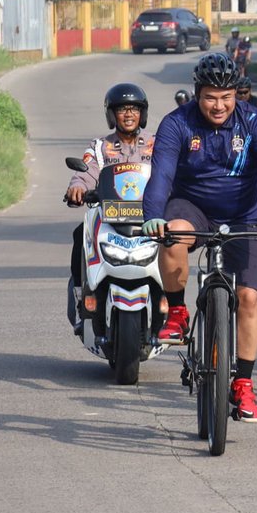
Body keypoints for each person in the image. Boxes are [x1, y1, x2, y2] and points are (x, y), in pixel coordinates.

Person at [141, 53, 257, 423]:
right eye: (210, 97)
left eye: (226, 97)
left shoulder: (256, 122)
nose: (218, 105)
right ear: (198, 94)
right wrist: (153, 217)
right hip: (191, 207)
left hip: (243, 214)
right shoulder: (176, 123)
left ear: (236, 95)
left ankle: (243, 383)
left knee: (250, 298)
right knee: (172, 235)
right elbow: (161, 176)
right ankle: (177, 311)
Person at [65, 83, 156, 335]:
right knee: (80, 233)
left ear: (142, 113)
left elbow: (172, 172)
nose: (128, 114)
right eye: (122, 109)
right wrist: (77, 188)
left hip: (149, 216)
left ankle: (171, 304)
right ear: (112, 114)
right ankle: (81, 295)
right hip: (109, 215)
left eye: (134, 109)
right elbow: (85, 172)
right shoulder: (99, 146)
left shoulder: (156, 144)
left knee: (174, 243)